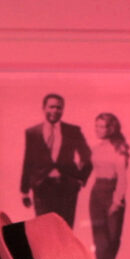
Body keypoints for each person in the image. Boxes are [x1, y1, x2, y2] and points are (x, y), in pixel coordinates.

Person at [20, 93, 92, 228]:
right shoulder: (32, 132)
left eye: (59, 108)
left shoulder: (73, 131)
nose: (55, 111)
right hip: (41, 187)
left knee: (65, 229)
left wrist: (80, 179)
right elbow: (28, 161)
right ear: (44, 108)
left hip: (67, 187)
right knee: (44, 229)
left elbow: (88, 157)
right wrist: (24, 191)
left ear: (63, 109)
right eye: (51, 107)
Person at [88, 112, 129, 259]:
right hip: (96, 192)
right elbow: (87, 170)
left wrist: (117, 200)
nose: (99, 130)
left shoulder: (119, 149)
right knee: (100, 238)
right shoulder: (94, 149)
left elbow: (122, 177)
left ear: (111, 128)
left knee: (113, 237)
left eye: (103, 126)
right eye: (97, 126)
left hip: (112, 191)